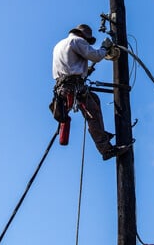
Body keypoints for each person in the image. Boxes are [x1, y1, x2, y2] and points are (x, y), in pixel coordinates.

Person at [50, 24, 130, 160]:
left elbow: (70, 66)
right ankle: (106, 149)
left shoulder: (59, 45)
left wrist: (86, 71)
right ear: (83, 35)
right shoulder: (78, 41)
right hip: (73, 88)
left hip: (62, 88)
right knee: (93, 115)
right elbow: (96, 56)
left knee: (95, 99)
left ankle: (101, 134)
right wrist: (104, 48)